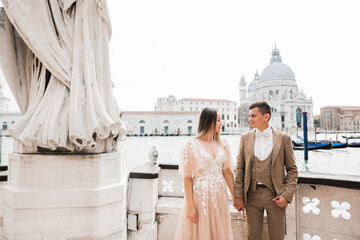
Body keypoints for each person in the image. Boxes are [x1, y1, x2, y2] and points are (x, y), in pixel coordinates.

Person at [233, 101, 298, 240]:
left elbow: (292, 170)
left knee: (277, 237)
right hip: (251, 195)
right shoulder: (245, 138)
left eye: (253, 116)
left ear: (266, 116)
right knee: (253, 236)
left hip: (276, 195)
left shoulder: (284, 138)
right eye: (250, 116)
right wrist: (238, 195)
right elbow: (240, 168)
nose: (250, 119)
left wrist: (286, 195)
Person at [174, 108, 235, 240]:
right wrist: (190, 206)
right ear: (207, 121)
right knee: (201, 232)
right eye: (218, 120)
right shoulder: (191, 145)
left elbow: (228, 172)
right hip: (199, 198)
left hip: (220, 198)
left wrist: (236, 196)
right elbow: (187, 178)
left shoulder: (224, 144)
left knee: (219, 231)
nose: (221, 123)